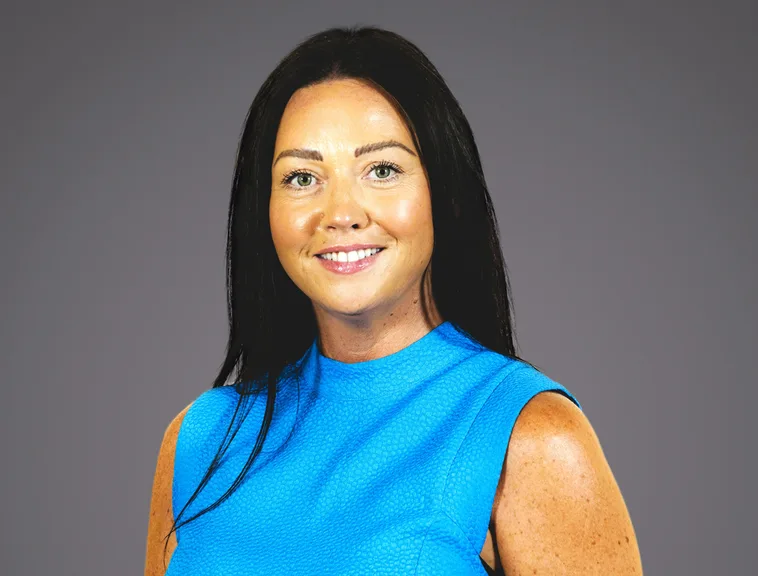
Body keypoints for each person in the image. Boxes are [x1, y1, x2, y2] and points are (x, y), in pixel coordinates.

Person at [145, 25, 642, 575]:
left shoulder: (528, 436)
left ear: (441, 190)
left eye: (382, 170)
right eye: (302, 177)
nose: (340, 212)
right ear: (263, 209)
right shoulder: (198, 440)